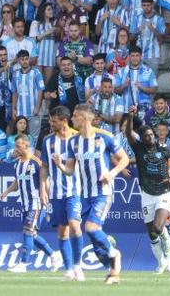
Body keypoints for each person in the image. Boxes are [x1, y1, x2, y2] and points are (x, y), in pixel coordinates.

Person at [52, 104, 128, 284]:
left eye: (75, 116)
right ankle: (112, 271)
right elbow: (70, 170)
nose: (72, 120)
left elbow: (124, 159)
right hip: (83, 195)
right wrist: (61, 165)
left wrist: (111, 173)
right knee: (94, 240)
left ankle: (114, 253)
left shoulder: (105, 137)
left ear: (85, 118)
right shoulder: (73, 141)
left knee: (91, 228)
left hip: (103, 192)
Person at [124, 119, 170, 272]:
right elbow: (128, 133)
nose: (151, 137)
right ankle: (161, 262)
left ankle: (168, 257)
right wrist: (130, 117)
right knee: (152, 232)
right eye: (146, 136)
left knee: (158, 227)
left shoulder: (165, 148)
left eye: (152, 134)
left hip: (164, 193)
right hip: (147, 194)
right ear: (141, 138)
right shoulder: (138, 149)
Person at [0, 134, 62, 273]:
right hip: (25, 204)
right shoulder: (17, 163)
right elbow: (17, 183)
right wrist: (6, 192)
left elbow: (45, 181)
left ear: (27, 146)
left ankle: (23, 263)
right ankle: (53, 254)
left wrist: (47, 199)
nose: (15, 149)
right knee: (31, 233)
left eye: (18, 146)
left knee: (28, 231)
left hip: (36, 203)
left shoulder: (36, 162)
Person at [39, 106, 84, 281]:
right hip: (56, 193)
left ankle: (77, 265)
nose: (51, 123)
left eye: (54, 120)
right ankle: (68, 269)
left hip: (75, 191)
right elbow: (44, 166)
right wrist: (43, 188)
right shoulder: (48, 141)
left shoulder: (77, 138)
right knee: (62, 231)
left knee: (75, 225)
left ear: (64, 120)